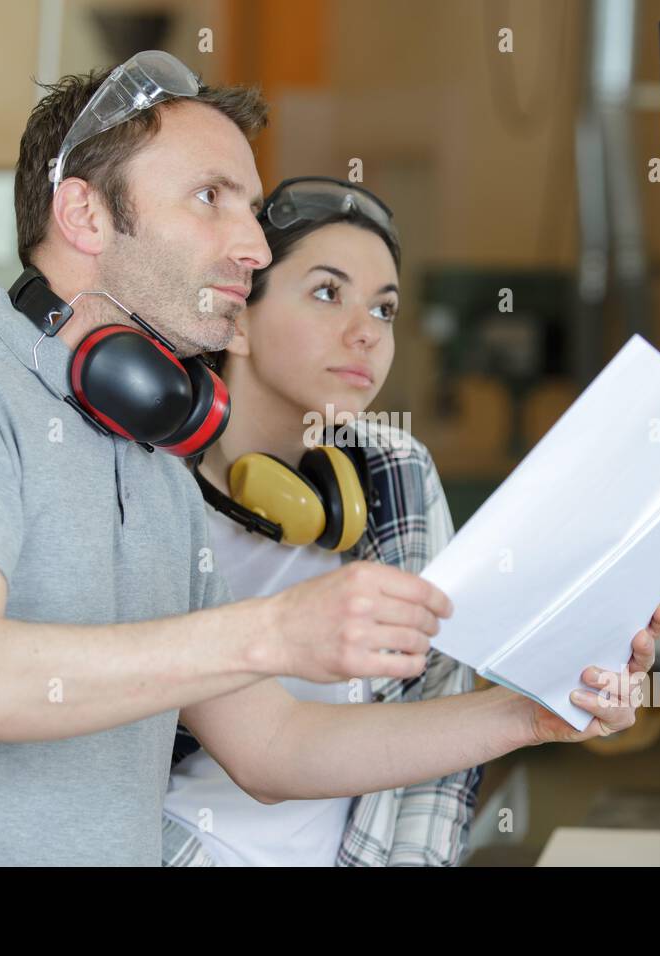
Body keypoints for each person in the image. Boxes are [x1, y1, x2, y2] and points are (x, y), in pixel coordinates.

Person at [0, 51, 660, 866]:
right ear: (85, 213)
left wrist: (532, 715)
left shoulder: (152, 461)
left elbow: (275, 748)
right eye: (210, 197)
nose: (252, 246)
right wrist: (275, 631)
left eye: (249, 207)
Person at [163, 178, 482, 866]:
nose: (367, 331)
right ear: (237, 321)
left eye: (385, 308)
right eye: (328, 292)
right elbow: (269, 753)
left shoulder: (397, 471)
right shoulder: (153, 491)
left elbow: (440, 711)